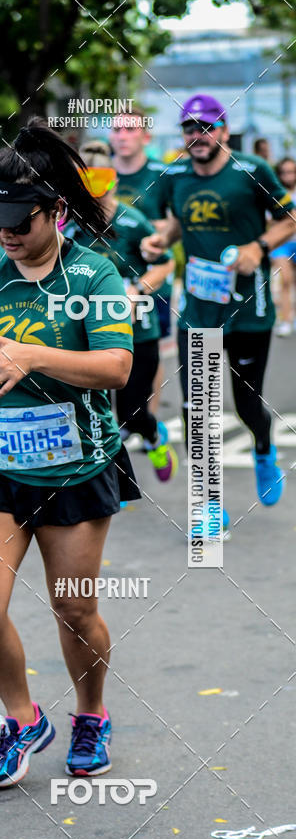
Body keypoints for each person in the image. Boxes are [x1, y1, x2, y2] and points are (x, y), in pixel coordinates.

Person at [0, 118, 139, 787]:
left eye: (20, 220)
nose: (5, 234)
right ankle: (21, 720)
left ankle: (91, 713)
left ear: (57, 211)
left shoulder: (94, 273)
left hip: (76, 467)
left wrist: (30, 355)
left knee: (73, 609)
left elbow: (116, 366)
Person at [141, 94, 296, 522]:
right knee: (199, 408)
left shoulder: (252, 171)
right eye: (190, 128)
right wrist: (162, 240)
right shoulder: (176, 177)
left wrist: (257, 246)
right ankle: (208, 503)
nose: (198, 135)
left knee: (247, 404)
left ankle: (264, 450)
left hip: (249, 309)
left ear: (223, 130)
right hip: (199, 312)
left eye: (206, 127)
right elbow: (179, 222)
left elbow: (289, 218)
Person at [65, 141, 177, 481]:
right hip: (84, 330)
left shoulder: (133, 221)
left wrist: (136, 291)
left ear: (112, 181)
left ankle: (155, 436)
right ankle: (112, 482)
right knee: (96, 415)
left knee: (131, 413)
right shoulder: (70, 223)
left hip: (136, 330)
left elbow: (165, 264)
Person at [109, 108, 175, 416]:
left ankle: (148, 417)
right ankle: (119, 418)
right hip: (110, 278)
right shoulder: (101, 174)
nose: (122, 137)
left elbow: (178, 221)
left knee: (151, 348)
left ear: (145, 136)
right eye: (117, 130)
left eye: (130, 130)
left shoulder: (161, 175)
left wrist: (156, 234)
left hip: (152, 277)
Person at [269, 157, 296, 336]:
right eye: (284, 172)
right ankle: (286, 320)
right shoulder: (275, 194)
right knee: (285, 280)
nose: (288, 175)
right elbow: (269, 222)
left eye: (291, 171)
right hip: (282, 244)